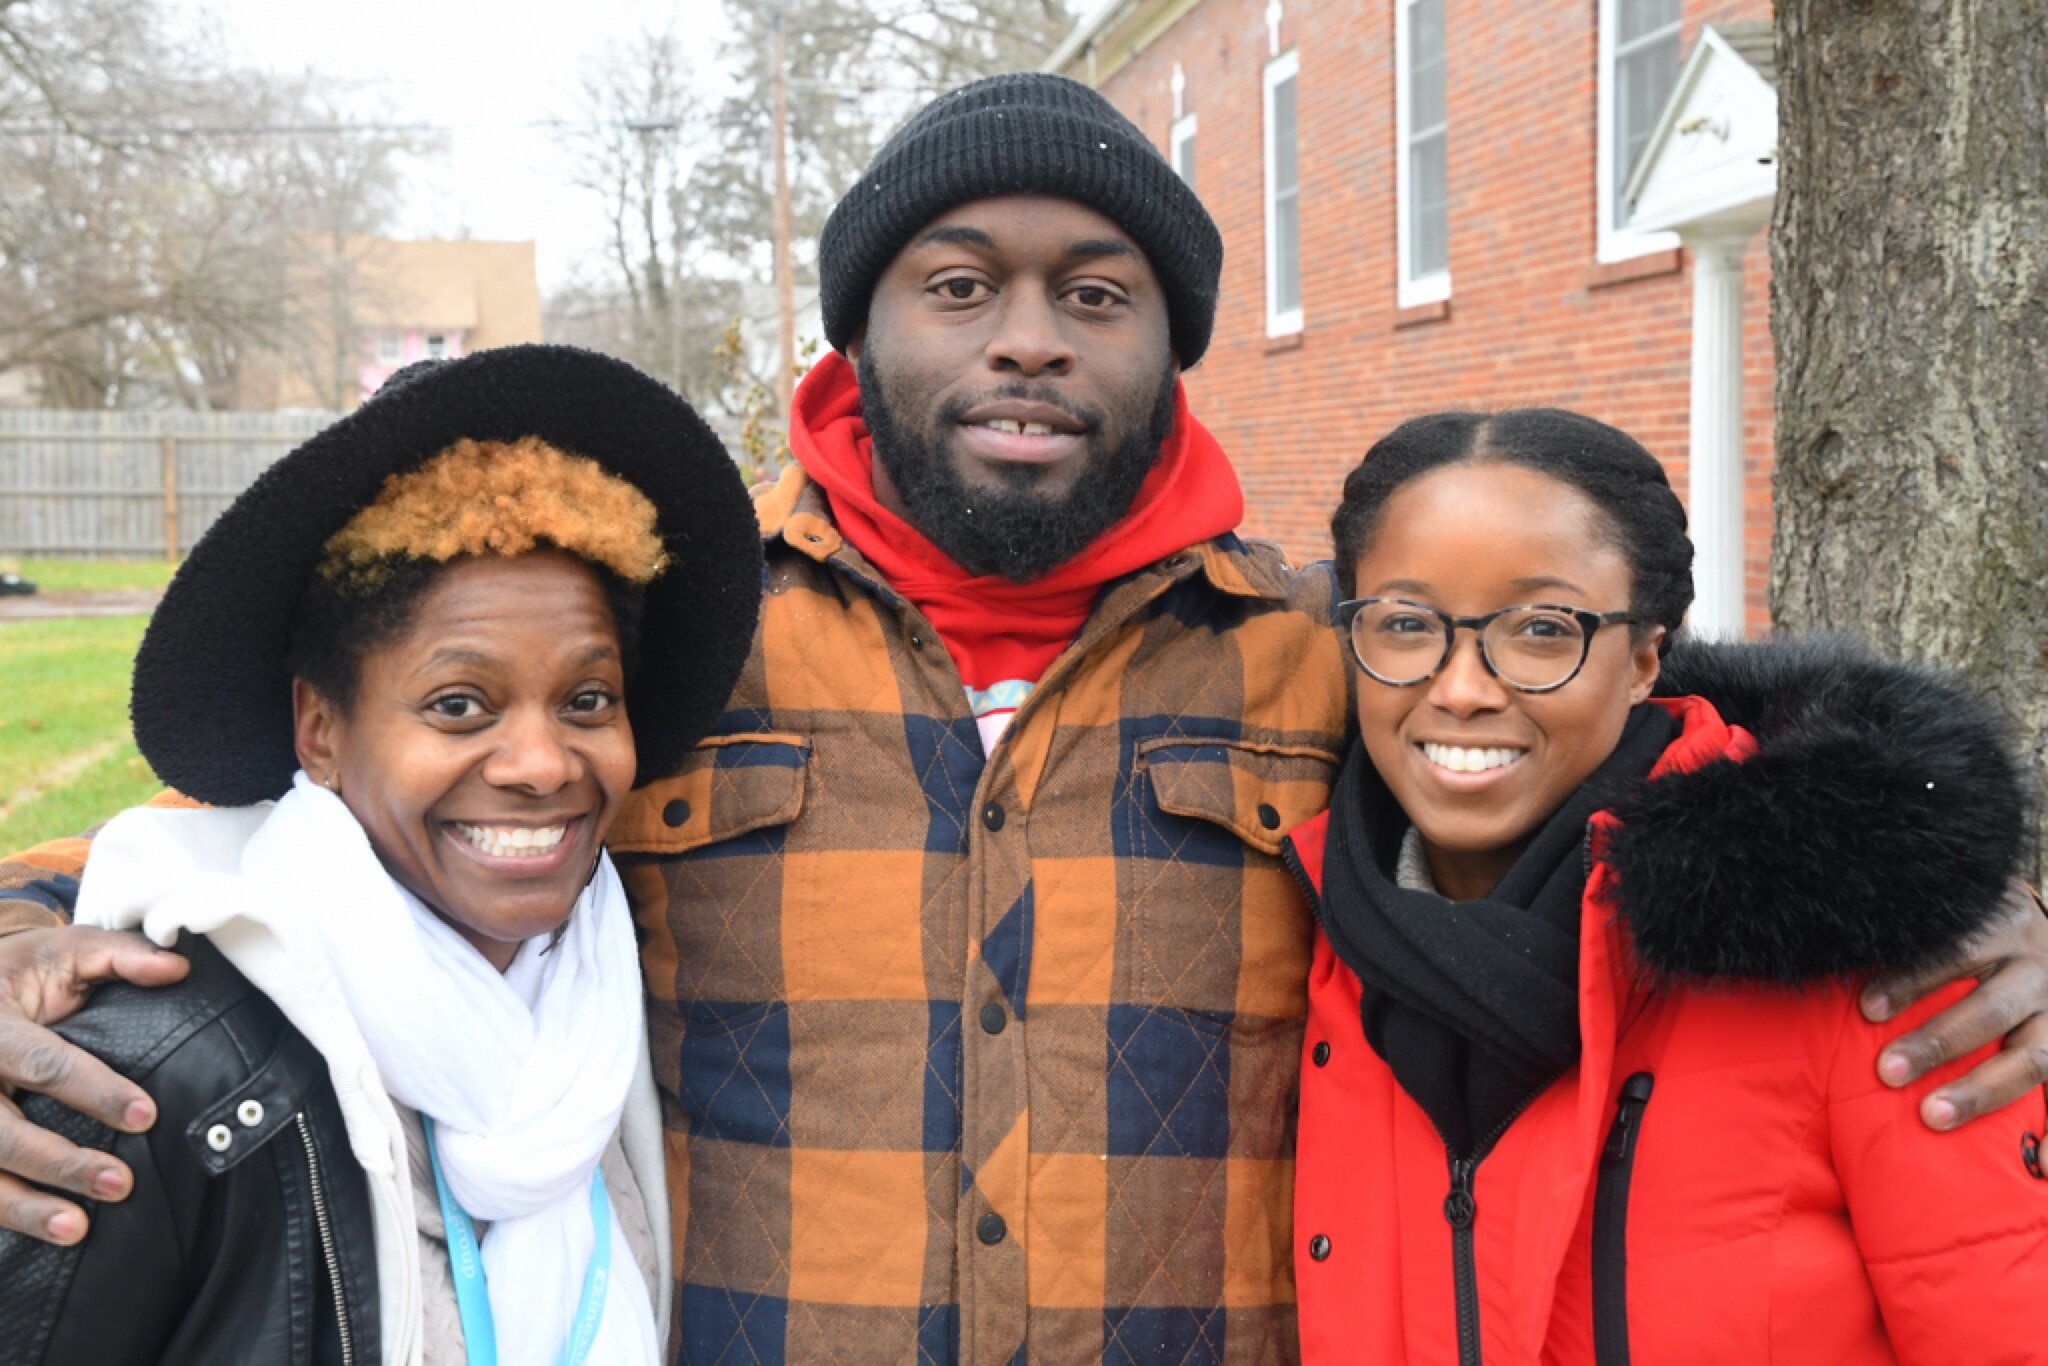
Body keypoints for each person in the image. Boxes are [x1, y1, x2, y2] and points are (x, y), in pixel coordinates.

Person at [0, 74, 2044, 1365]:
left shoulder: (1326, 656)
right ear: (865, 326)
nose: (1025, 341)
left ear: (1168, 338)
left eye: (1093, 291)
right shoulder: (679, 643)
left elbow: (1618, 726)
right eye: (958, 284)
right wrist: (37, 926)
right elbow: (358, 823)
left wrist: (1949, 882)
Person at [0, 345, 764, 1365]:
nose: (542, 764)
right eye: (459, 705)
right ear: (318, 733)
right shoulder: (150, 1081)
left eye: (587, 700)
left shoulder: (597, 1002)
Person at [1287, 409, 2047, 1363]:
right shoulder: (1299, 929)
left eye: (1541, 628)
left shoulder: (1859, 951)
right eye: (1405, 624)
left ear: (1647, 655)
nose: (1463, 687)